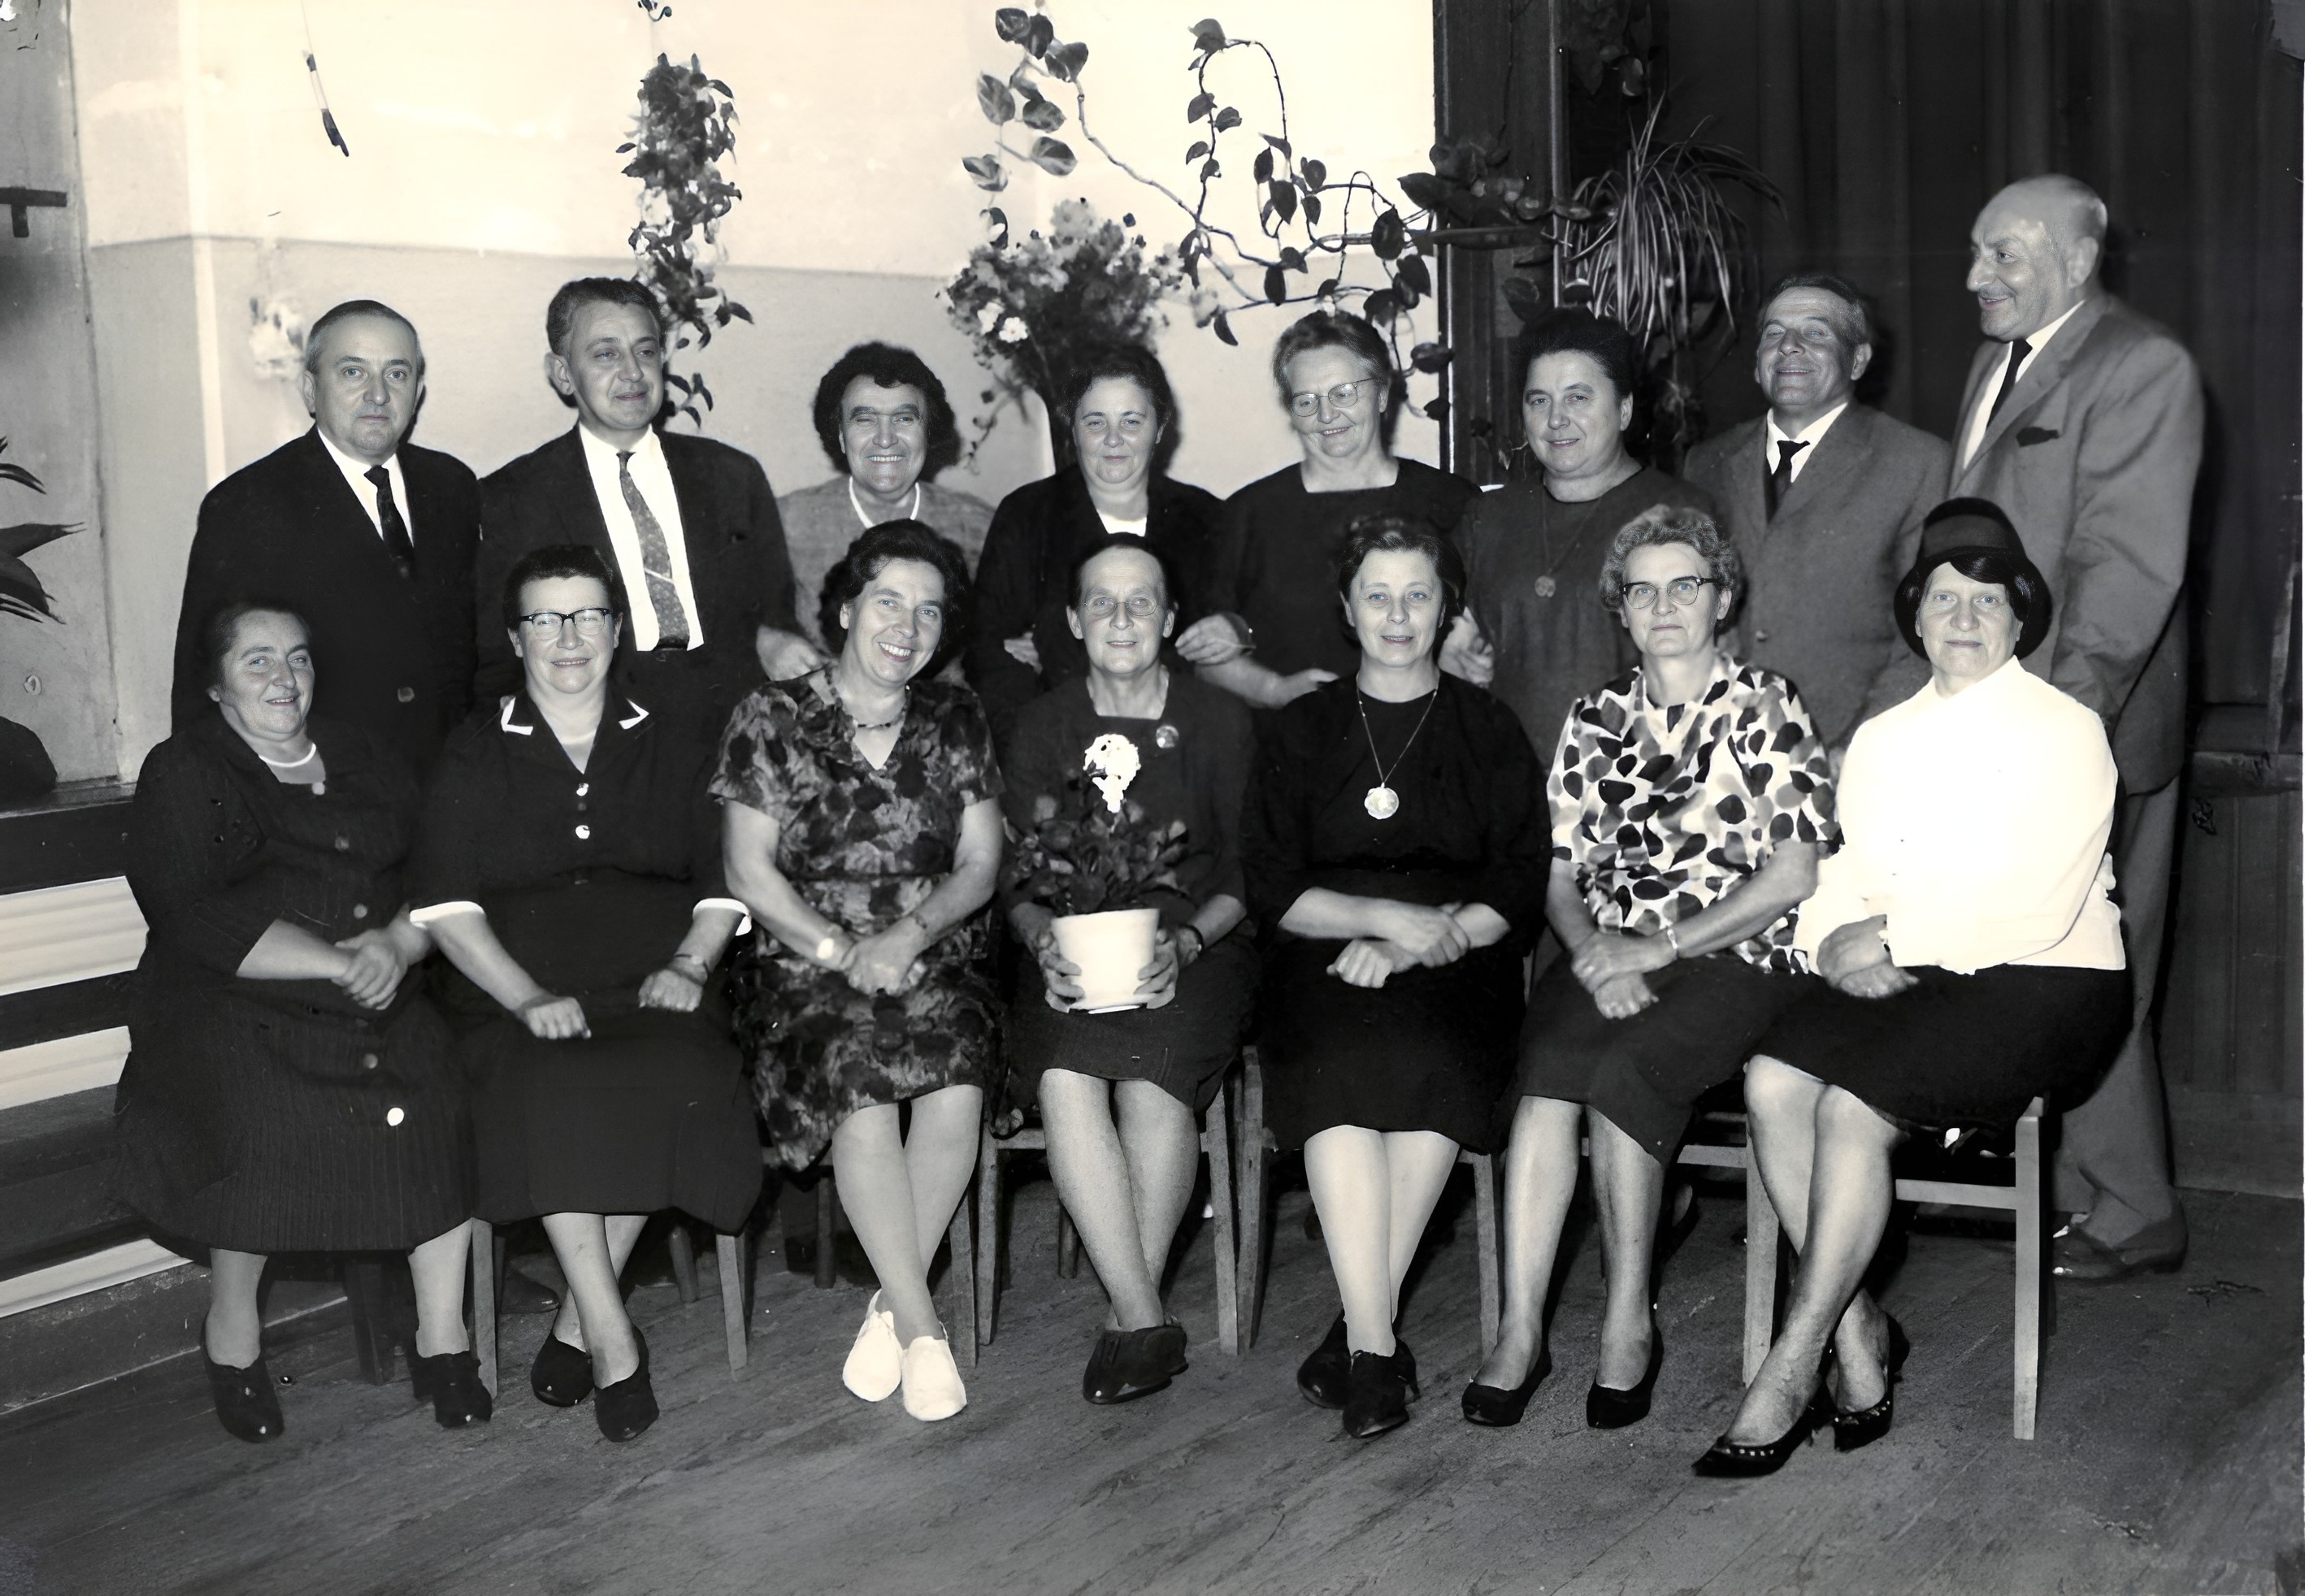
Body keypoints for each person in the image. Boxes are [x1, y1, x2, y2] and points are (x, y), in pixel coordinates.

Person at [1697, 501, 2129, 1476]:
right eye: (1944, 598)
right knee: (1772, 1078)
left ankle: (1793, 1358)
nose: (1964, 618)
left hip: (2046, 978)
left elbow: (2035, 900)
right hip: (1915, 965)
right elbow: (1841, 872)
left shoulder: (2066, 731)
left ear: (2020, 618)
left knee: (1852, 1109)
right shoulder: (1885, 736)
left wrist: (1885, 932)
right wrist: (1827, 945)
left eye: (1986, 600)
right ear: (1917, 618)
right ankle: (1859, 1334)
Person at [1464, 506, 1834, 1430]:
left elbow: (1794, 869)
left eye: (1684, 585)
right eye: (1641, 589)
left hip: (1735, 955)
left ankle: (1629, 1317)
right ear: (1619, 610)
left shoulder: (1766, 703)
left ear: (1720, 597)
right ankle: (1520, 1329)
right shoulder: (1594, 717)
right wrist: (1594, 949)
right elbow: (1554, 870)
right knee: (1545, 1078)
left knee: (1626, 1070)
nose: (1663, 604)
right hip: (1609, 951)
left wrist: (1659, 947)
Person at [410, 545, 759, 1443]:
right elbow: (447, 905)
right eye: (545, 619)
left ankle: (574, 1318)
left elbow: (723, 880)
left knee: (678, 1076)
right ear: (517, 635)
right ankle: (612, 1336)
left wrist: (688, 964)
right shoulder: (477, 745)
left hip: (658, 982)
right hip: (514, 995)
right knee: (550, 1086)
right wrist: (525, 995)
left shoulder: (674, 734)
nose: (569, 638)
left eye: (588, 616)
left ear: (617, 627)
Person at [117, 600, 483, 1442]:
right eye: (257, 662)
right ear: (213, 684)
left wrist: (398, 940)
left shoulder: (367, 754)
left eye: (299, 658)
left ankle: (444, 1340)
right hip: (235, 999)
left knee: (436, 1094)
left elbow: (438, 867)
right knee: (265, 1118)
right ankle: (234, 1333)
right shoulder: (188, 766)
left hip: (374, 987)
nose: (284, 679)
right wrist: (339, 959)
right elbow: (191, 912)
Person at [1240, 518, 1550, 1440]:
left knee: (1433, 1062)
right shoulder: (1303, 725)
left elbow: (1516, 881)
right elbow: (1273, 888)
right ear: (1347, 607)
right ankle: (1376, 1343)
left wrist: (1428, 938)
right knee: (1335, 1065)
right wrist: (1380, 919)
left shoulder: (1487, 725)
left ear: (1446, 605)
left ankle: (1361, 1337)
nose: (1398, 613)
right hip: (1320, 950)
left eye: (1418, 594)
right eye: (1377, 594)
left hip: (1457, 957)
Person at [1950, 176, 2203, 1282]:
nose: (1974, 278)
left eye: (2000, 256)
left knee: (2101, 963)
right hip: (2000, 717)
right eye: (1975, 254)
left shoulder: (2141, 366)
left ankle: (2137, 1206)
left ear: (2075, 257)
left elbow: (2128, 574)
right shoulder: (1997, 362)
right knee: (2047, 957)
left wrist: (2053, 732)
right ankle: (2084, 1191)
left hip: (2082, 730)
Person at [715, 521, 1003, 1423]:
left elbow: (980, 864)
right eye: (888, 601)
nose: (906, 627)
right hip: (803, 964)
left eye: (926, 611)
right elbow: (746, 871)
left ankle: (889, 1307)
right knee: (860, 1084)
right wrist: (843, 951)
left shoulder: (958, 718)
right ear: (844, 607)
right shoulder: (772, 714)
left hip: (931, 950)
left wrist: (906, 938)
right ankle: (924, 1327)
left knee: (956, 1079)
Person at [997, 536, 1258, 1403]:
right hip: (1070, 950)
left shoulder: (1218, 719)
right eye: (1099, 602)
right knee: (1067, 1074)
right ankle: (1144, 1317)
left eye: (1139, 601)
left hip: (1200, 946)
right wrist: (1041, 939)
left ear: (1170, 619)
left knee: (1152, 1081)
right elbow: (1019, 876)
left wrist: (1186, 945)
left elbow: (1251, 870)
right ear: (1072, 621)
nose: (1119, 619)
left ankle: (1128, 1320)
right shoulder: (1044, 723)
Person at [474, 277, 814, 744]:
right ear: (562, 374)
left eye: (646, 351)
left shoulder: (733, 477)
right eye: (606, 354)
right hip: (600, 737)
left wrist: (771, 638)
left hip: (734, 725)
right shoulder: (512, 498)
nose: (633, 372)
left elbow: (774, 612)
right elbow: (499, 660)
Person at [171, 300, 480, 775]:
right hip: (326, 798)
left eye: (396, 374)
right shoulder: (248, 506)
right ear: (311, 391)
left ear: (417, 392)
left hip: (450, 787)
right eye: (353, 372)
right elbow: (206, 685)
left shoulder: (452, 487)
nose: (378, 395)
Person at [1682, 274, 1951, 753]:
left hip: (1852, 750)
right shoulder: (1706, 463)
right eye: (1773, 333)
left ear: (1858, 359)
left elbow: (1928, 631)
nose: (1789, 347)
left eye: (1815, 333)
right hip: (1721, 753)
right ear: (1755, 363)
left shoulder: (1918, 464)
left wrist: (1858, 749)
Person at [1444, 310, 1717, 757]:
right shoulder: (1487, 517)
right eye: (1539, 401)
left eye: (1578, 398)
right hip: (1507, 789)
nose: (1556, 420)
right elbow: (1446, 639)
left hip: (1634, 789)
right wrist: (1450, 650)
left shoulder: (1682, 515)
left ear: (1624, 409)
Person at [1182, 313, 1478, 710]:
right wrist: (1274, 691)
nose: (1326, 416)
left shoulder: (1452, 502)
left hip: (1425, 743)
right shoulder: (1248, 515)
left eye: (1343, 393)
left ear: (1383, 393)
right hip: (1293, 749)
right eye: (1306, 401)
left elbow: (1487, 634)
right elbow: (1205, 658)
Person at [968, 344, 1226, 719]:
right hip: (1058, 734)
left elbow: (1228, 636)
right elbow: (990, 651)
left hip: (1181, 732)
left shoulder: (1206, 517)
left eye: (1132, 421)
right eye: (1095, 422)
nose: (1113, 439)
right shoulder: (1027, 514)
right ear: (1072, 428)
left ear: (1160, 428)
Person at [777, 342, 996, 649]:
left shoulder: (981, 527)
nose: (885, 439)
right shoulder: (788, 522)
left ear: (928, 433)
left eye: (904, 419)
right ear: (841, 436)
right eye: (864, 420)